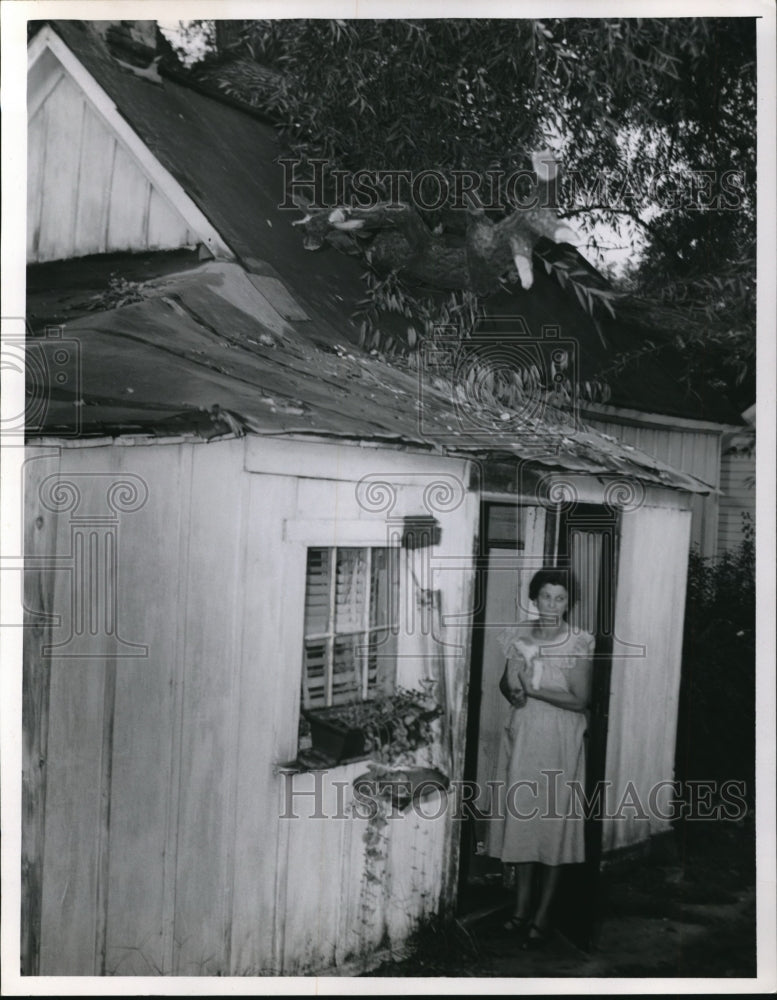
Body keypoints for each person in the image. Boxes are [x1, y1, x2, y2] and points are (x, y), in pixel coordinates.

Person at [490, 567, 595, 949]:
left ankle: (543, 916)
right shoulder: (518, 635)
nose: (552, 605)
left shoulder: (578, 642)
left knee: (553, 825)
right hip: (523, 734)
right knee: (523, 822)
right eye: (546, 597)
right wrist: (514, 693)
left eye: (560, 598)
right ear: (534, 599)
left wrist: (533, 693)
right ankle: (520, 910)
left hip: (560, 739)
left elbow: (580, 700)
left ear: (569, 602)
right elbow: (505, 683)